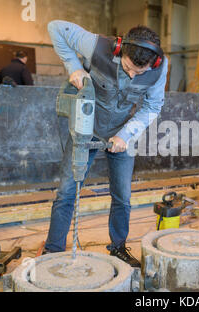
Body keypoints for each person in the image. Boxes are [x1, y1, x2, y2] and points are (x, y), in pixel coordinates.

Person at [43, 20, 168, 268]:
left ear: (152, 63)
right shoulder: (97, 45)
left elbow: (153, 106)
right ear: (120, 49)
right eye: (128, 67)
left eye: (139, 73)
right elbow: (55, 27)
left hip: (123, 132)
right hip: (85, 128)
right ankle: (53, 250)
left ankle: (118, 248)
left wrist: (125, 134)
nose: (132, 75)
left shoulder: (159, 68)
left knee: (122, 196)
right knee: (67, 191)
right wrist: (73, 67)